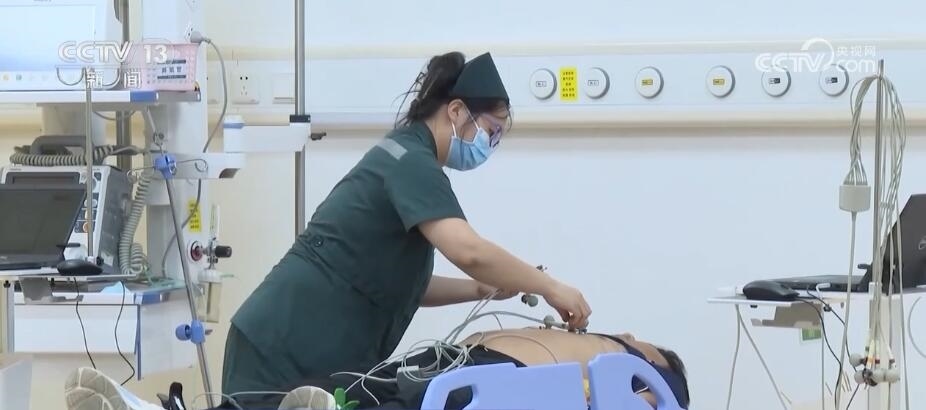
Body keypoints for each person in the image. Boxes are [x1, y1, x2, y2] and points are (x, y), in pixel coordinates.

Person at [221, 51, 592, 408]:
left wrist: (479, 289)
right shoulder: (412, 163)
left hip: (300, 344)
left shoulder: (404, 154)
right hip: (282, 349)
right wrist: (550, 287)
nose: (489, 146)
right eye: (490, 132)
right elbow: (470, 252)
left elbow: (399, 282)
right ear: (456, 111)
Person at [62, 327, 689, 410]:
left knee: (361, 401)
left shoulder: (635, 376)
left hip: (481, 388)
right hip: (446, 367)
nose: (638, 335)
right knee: (328, 393)